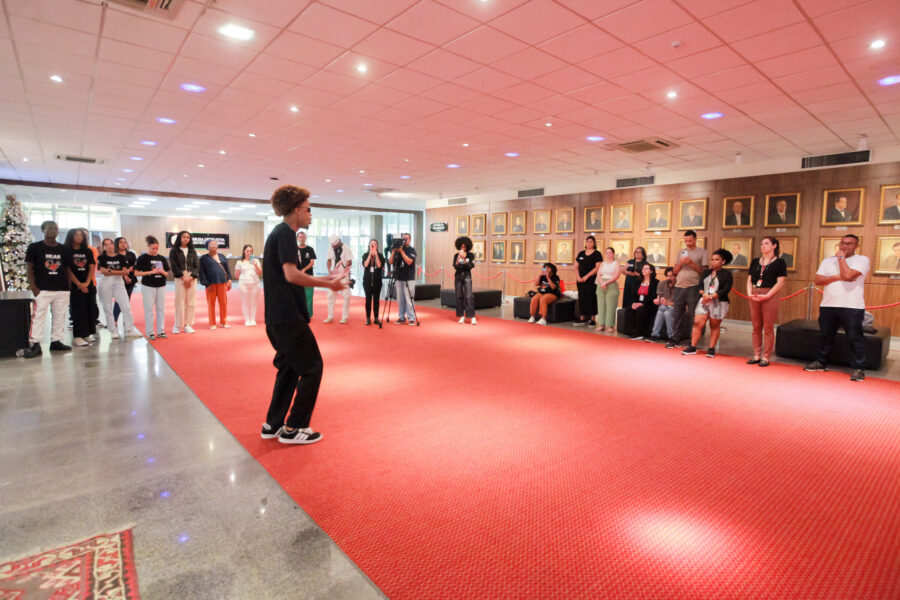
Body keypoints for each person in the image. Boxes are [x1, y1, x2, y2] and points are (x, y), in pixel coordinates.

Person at [260, 184, 347, 445]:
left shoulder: (278, 234)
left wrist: (325, 279)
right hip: (288, 317)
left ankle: (273, 424)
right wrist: (327, 284)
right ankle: (294, 427)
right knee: (312, 368)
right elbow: (291, 275)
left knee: (289, 368)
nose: (310, 215)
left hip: (278, 318)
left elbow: (289, 275)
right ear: (297, 209)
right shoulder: (286, 234)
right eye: (308, 209)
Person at [804, 234, 869, 381]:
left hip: (852, 306)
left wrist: (841, 259)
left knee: (855, 338)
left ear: (856, 246)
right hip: (828, 304)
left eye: (849, 243)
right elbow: (818, 280)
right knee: (825, 335)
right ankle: (821, 362)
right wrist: (839, 276)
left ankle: (859, 368)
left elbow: (849, 275)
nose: (844, 246)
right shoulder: (827, 261)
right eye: (842, 243)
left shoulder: (862, 260)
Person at [24, 221, 72, 358]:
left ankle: (56, 341)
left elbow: (67, 268)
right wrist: (33, 287)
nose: (53, 231)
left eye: (55, 228)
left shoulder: (64, 249)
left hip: (62, 289)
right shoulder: (35, 247)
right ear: (43, 230)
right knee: (38, 317)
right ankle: (35, 344)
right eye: (50, 228)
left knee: (60, 316)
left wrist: (68, 287)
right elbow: (29, 268)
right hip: (42, 289)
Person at [682, 249, 733, 357]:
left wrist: (712, 296)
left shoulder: (727, 274)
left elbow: (726, 289)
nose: (713, 262)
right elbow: (700, 286)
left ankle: (711, 348)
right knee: (697, 323)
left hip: (719, 302)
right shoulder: (706, 272)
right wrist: (704, 294)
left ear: (723, 261)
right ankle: (692, 347)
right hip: (704, 300)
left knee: (714, 325)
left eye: (716, 260)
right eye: (712, 259)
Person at [746, 236, 787, 367]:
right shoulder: (755, 261)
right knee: (756, 326)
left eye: (766, 243)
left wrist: (768, 295)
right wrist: (749, 293)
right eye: (762, 244)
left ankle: (766, 356)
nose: (763, 246)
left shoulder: (779, 262)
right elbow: (749, 279)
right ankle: (756, 355)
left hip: (770, 294)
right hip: (755, 293)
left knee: (768, 327)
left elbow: (780, 282)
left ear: (774, 246)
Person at [666, 230, 709, 348]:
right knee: (677, 314)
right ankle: (674, 338)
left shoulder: (702, 252)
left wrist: (691, 263)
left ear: (695, 239)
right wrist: (680, 263)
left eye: (690, 241)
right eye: (686, 241)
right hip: (679, 286)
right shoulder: (681, 252)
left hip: (693, 286)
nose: (688, 243)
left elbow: (704, 272)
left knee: (693, 315)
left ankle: (692, 340)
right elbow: (675, 271)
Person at [97, 237, 140, 340]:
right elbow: (103, 271)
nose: (109, 246)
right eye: (106, 244)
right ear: (103, 247)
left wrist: (110, 271)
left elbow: (125, 271)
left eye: (110, 244)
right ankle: (113, 330)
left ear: (113, 245)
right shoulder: (102, 258)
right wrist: (118, 272)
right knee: (107, 307)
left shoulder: (121, 257)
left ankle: (130, 329)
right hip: (105, 282)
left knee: (126, 305)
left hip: (119, 282)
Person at [134, 235, 170, 340]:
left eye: (157, 248)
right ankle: (150, 332)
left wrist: (162, 271)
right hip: (148, 286)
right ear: (148, 246)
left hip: (161, 285)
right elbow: (136, 273)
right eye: (153, 248)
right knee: (149, 310)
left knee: (161, 309)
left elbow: (167, 273)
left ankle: (161, 331)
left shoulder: (161, 258)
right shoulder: (142, 258)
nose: (155, 250)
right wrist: (151, 272)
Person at [64, 228, 95, 347]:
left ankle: (86, 333)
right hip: (74, 285)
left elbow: (91, 266)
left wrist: (86, 283)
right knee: (78, 310)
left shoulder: (87, 251)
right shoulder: (67, 250)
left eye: (81, 235)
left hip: (87, 283)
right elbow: (67, 269)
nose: (79, 237)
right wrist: (78, 284)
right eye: (76, 235)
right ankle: (77, 336)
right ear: (71, 236)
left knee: (89, 308)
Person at [168, 230, 199, 334]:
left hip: (191, 277)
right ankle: (177, 325)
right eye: (184, 237)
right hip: (180, 277)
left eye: (188, 237)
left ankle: (187, 324)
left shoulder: (192, 251)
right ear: (180, 238)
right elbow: (174, 265)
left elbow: (196, 265)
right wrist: (182, 277)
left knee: (190, 302)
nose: (186, 239)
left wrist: (191, 277)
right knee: (179, 301)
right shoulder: (174, 251)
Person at [198, 240, 232, 329]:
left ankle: (223, 322)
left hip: (222, 282)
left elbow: (227, 269)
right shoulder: (204, 258)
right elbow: (201, 272)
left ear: (217, 246)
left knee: (223, 303)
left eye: (215, 244)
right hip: (210, 284)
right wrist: (206, 284)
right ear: (207, 247)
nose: (213, 246)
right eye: (211, 244)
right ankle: (212, 323)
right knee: (211, 304)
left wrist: (229, 279)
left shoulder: (222, 256)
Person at [623, 263, 658, 340]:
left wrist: (642, 303)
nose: (643, 270)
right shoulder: (638, 281)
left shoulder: (655, 282)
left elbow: (653, 296)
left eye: (646, 269)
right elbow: (634, 294)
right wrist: (634, 303)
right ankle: (631, 331)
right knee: (629, 308)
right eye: (643, 269)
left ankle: (640, 333)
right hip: (638, 302)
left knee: (640, 310)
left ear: (651, 271)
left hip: (649, 303)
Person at [324, 235, 353, 324]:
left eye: (335, 246)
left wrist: (344, 271)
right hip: (334, 275)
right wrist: (329, 270)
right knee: (330, 295)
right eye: (332, 246)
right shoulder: (330, 249)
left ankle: (344, 317)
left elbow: (349, 261)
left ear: (339, 242)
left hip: (344, 275)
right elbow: (329, 260)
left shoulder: (346, 248)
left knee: (346, 296)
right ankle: (330, 316)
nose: (334, 247)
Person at [574, 235, 600, 326]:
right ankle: (582, 318)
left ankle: (592, 319)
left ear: (594, 243)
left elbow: (597, 268)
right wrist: (578, 276)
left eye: (591, 242)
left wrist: (587, 276)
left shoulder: (597, 254)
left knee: (592, 298)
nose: (589, 243)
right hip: (580, 280)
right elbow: (576, 266)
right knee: (582, 297)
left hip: (591, 280)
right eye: (587, 241)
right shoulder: (581, 253)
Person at [391, 232, 417, 325]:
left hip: (409, 277)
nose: (405, 240)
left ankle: (411, 318)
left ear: (410, 240)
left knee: (409, 299)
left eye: (407, 239)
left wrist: (402, 252)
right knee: (400, 299)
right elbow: (390, 262)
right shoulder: (397, 250)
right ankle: (401, 317)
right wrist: (393, 252)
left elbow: (409, 261)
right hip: (399, 277)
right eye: (403, 239)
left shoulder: (411, 250)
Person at [111, 237, 136, 329]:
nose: (123, 244)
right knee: (118, 300)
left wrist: (129, 270)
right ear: (116, 244)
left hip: (130, 280)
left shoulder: (131, 254)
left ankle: (126, 319)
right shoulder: (114, 254)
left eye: (124, 242)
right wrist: (124, 274)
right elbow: (114, 268)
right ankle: (114, 319)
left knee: (126, 301)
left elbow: (135, 265)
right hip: (117, 280)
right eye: (121, 242)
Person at [595, 247, 621, 332]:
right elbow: (598, 274)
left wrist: (606, 282)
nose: (608, 255)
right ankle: (601, 324)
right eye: (606, 253)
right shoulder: (603, 263)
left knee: (611, 306)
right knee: (601, 305)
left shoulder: (616, 263)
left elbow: (616, 275)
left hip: (611, 284)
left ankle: (610, 326)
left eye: (610, 253)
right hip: (601, 285)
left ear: (613, 254)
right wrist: (602, 282)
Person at [235, 244, 261, 326]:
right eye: (247, 251)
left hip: (255, 284)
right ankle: (247, 319)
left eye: (251, 251)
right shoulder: (239, 262)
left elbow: (260, 273)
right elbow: (236, 275)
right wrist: (243, 278)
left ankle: (252, 319)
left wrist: (256, 266)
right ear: (244, 252)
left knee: (254, 302)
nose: (249, 253)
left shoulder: (256, 261)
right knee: (245, 302)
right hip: (243, 285)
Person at [648, 267, 676, 342]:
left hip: (674, 307)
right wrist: (657, 301)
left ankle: (671, 336)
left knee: (667, 313)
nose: (668, 278)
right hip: (664, 306)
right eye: (667, 276)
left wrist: (668, 303)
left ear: (675, 276)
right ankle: (655, 335)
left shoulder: (679, 286)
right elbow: (659, 298)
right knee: (660, 311)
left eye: (671, 276)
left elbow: (680, 304)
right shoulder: (661, 284)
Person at [453, 236, 476, 325]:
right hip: (458, 276)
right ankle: (461, 315)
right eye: (461, 246)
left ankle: (472, 316)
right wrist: (458, 260)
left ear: (467, 246)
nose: (463, 248)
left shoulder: (471, 255)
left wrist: (464, 260)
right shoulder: (456, 255)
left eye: (464, 246)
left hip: (467, 276)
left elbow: (471, 266)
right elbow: (455, 266)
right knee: (459, 296)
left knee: (468, 296)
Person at [362, 238, 385, 325]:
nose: (373, 245)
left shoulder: (380, 255)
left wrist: (376, 255)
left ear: (377, 246)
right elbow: (365, 264)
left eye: (374, 244)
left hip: (377, 281)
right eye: (371, 244)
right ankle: (368, 318)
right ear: (369, 245)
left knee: (376, 300)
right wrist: (370, 255)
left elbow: (379, 265)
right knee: (368, 299)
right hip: (367, 281)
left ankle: (376, 317)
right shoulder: (365, 255)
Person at [622, 246, 648, 312]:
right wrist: (630, 273)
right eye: (636, 252)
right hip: (628, 284)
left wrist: (637, 274)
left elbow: (646, 275)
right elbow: (623, 271)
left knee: (635, 301)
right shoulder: (630, 261)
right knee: (627, 300)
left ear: (643, 254)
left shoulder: (645, 263)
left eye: (639, 252)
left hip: (639, 284)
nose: (637, 253)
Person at [297, 231, 316, 317]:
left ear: (306, 238)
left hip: (308, 275)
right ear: (297, 238)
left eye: (303, 237)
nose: (302, 238)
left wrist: (304, 270)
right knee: (297, 296)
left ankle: (308, 314)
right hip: (297, 276)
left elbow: (312, 262)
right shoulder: (294, 249)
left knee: (308, 296)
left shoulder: (310, 249)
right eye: (300, 237)